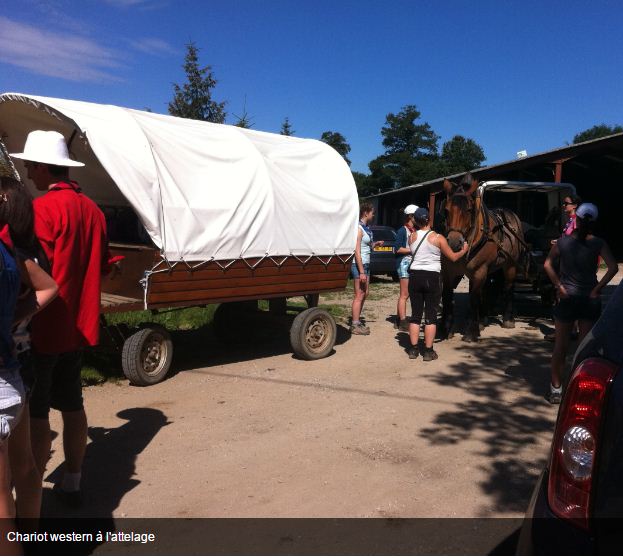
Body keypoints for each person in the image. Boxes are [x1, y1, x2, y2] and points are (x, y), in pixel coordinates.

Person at [11, 130, 109, 506]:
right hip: (78, 325)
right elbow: (101, 266)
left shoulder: (41, 211)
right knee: (73, 405)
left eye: (29, 165)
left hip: (43, 326)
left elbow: (33, 270)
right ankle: (73, 480)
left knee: (37, 412)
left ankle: (31, 490)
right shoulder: (94, 211)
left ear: (40, 166)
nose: (26, 172)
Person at [0, 174, 58, 522]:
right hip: (22, 364)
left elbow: (48, 288)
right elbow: (50, 288)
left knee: (6, 478)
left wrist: (12, 317)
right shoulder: (28, 251)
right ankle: (31, 534)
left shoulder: (14, 255)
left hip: (10, 364)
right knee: (25, 464)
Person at [543, 203, 617, 404]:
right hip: (588, 300)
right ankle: (576, 389)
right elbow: (612, 268)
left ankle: (556, 388)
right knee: (584, 349)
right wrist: (596, 289)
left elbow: (547, 264)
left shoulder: (563, 242)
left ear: (578, 219)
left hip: (568, 298)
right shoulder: (598, 243)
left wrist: (559, 285)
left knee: (561, 345)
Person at [407, 207, 468, 361]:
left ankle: (413, 350)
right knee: (430, 317)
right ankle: (428, 351)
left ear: (416, 221)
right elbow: (453, 257)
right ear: (429, 220)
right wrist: (464, 250)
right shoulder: (438, 238)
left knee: (415, 316)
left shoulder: (412, 237)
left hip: (414, 276)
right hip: (431, 277)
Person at [351, 202, 383, 335]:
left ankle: (357, 320)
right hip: (360, 265)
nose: (373, 214)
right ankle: (355, 324)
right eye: (372, 212)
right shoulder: (358, 228)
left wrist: (375, 244)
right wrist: (362, 271)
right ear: (366, 213)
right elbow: (357, 251)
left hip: (366, 264)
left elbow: (367, 246)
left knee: (365, 293)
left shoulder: (366, 228)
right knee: (359, 295)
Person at [394, 204, 418, 331]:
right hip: (403, 263)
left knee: (405, 294)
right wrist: (411, 250)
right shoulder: (402, 230)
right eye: (415, 216)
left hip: (410, 263)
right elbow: (396, 248)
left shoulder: (414, 230)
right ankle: (402, 321)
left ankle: (399, 318)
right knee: (404, 294)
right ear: (410, 216)